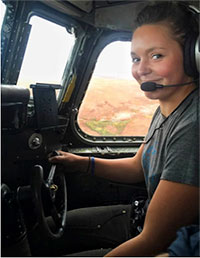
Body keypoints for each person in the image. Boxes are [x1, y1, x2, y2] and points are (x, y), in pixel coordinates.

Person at [47, 1, 199, 257]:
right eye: (135, 58)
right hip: (141, 217)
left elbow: (154, 241)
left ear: (193, 56)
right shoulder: (167, 106)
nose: (141, 70)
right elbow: (138, 165)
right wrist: (82, 163)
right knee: (48, 233)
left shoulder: (193, 128)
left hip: (169, 245)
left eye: (156, 55)